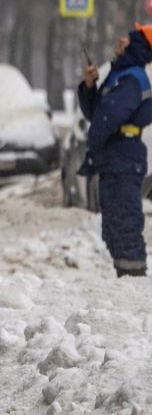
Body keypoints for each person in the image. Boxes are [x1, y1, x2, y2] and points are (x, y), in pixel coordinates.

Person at [78, 23, 152, 277]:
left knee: (125, 220)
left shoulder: (131, 78)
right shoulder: (119, 75)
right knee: (113, 223)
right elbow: (96, 114)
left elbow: (107, 119)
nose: (121, 40)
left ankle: (133, 277)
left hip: (124, 156)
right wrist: (89, 87)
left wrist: (93, 150)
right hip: (117, 156)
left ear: (138, 47)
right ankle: (125, 274)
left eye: (129, 39)